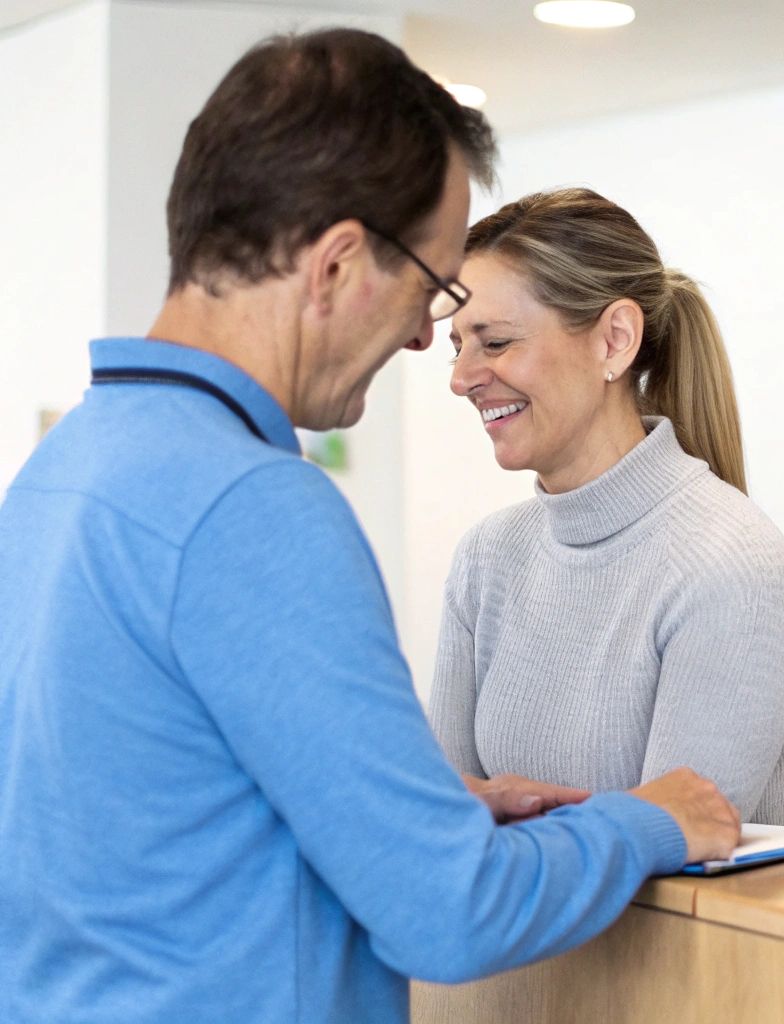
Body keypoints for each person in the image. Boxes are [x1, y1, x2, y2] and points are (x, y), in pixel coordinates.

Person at [0, 29, 739, 1024]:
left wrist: (410, 810)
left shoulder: (61, 472)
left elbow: (138, 813)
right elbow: (452, 910)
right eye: (432, 290)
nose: (427, 339)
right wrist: (643, 822)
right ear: (339, 264)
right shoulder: (254, 506)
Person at [430, 188, 784, 825]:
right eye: (458, 346)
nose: (461, 377)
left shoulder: (733, 566)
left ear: (614, 340)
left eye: (493, 343)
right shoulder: (486, 558)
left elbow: (679, 846)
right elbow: (440, 825)